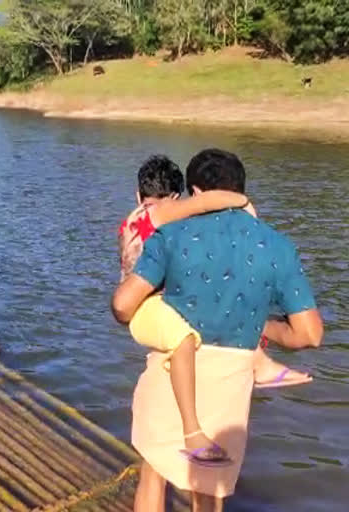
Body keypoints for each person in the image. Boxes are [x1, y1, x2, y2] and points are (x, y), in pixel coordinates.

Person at [112, 149, 322, 511]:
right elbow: (309, 334)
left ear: (195, 192)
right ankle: (262, 363)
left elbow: (123, 306)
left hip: (172, 370)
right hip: (232, 380)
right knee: (209, 493)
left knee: (153, 473)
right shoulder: (277, 245)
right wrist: (264, 328)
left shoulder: (170, 233)